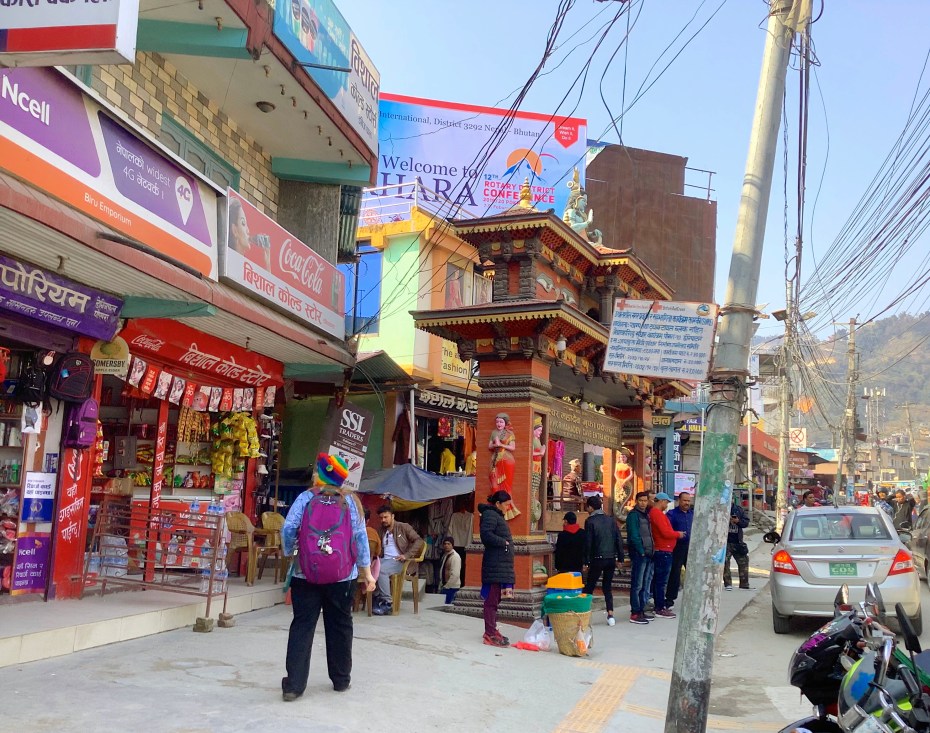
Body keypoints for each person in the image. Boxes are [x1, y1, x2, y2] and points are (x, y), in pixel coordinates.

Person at [281, 454, 375, 702]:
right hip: (342, 577)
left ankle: (294, 686)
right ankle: (341, 680)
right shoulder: (351, 501)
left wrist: (290, 552)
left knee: (302, 625)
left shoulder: (305, 498)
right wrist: (367, 573)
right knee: (340, 625)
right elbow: (360, 538)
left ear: (320, 475)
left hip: (305, 573)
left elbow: (288, 528)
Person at [478, 490, 515, 647]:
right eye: (506, 505)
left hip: (500, 565)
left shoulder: (496, 515)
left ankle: (492, 630)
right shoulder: (490, 515)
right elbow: (486, 535)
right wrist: (503, 542)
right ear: (498, 504)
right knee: (491, 600)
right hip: (495, 565)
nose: (508, 508)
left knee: (495, 599)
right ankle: (490, 633)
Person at [373, 505, 424, 615]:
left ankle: (387, 602)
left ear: (393, 516)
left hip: (399, 561)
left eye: (386, 517)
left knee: (381, 570)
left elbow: (419, 541)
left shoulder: (403, 527)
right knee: (369, 568)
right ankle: (376, 598)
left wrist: (406, 555)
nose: (383, 520)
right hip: (383, 560)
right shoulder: (381, 530)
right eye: (381, 518)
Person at [581, 496, 624, 626]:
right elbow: (618, 539)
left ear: (590, 507)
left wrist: (586, 561)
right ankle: (610, 615)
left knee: (590, 586)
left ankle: (583, 614)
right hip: (611, 558)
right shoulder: (611, 520)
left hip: (597, 559)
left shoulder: (590, 521)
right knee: (607, 587)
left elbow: (588, 542)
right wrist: (620, 558)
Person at [648, 492, 685, 619]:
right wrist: (678, 534)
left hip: (664, 549)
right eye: (666, 502)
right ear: (662, 501)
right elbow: (665, 532)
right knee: (661, 581)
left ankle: (659, 606)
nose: (667, 505)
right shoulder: (657, 514)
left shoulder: (656, 513)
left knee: (660, 580)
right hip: (663, 550)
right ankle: (659, 607)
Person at [626, 491, 654, 624]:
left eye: (645, 501)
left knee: (644, 584)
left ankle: (641, 610)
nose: (643, 503)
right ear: (636, 501)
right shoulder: (633, 515)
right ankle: (635, 612)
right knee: (637, 584)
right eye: (641, 501)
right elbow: (634, 535)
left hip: (648, 553)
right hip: (640, 554)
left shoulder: (646, 515)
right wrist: (641, 551)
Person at [665, 492, 693, 609]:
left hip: (691, 547)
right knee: (675, 573)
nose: (687, 503)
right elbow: (667, 530)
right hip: (677, 547)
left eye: (688, 501)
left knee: (692, 573)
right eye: (684, 500)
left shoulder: (693, 514)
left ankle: (692, 598)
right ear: (679, 501)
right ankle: (670, 600)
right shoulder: (672, 514)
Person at [488, 413, 518, 519]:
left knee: (506, 486)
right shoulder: (494, 432)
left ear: (505, 423)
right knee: (494, 484)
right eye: (497, 422)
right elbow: (489, 446)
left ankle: (508, 510)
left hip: (506, 460)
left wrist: (501, 445)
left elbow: (513, 447)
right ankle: (495, 507)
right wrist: (495, 445)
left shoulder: (509, 433)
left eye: (501, 422)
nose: (499, 424)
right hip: (495, 460)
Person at [228, 197, 271, 270]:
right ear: (234, 230)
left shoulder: (246, 268)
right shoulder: (231, 264)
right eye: (243, 223)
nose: (248, 230)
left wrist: (267, 261)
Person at [723, 501, 751, 590]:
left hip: (738, 542)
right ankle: (728, 584)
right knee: (725, 563)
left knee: (744, 562)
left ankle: (744, 584)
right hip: (725, 542)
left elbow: (746, 523)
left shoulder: (738, 510)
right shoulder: (721, 508)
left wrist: (738, 521)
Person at [447, 503, 473, 587]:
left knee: (455, 565)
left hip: (456, 544)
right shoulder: (471, 516)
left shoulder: (454, 516)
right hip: (466, 544)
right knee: (462, 565)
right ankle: (461, 583)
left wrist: (449, 542)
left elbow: (450, 530)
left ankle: (455, 583)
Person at [438, 537, 462, 604]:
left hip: (451, 587)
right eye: (445, 544)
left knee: (447, 606)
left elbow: (455, 574)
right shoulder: (445, 555)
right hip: (445, 585)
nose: (446, 545)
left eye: (449, 544)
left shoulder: (455, 557)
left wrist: (447, 586)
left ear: (452, 545)